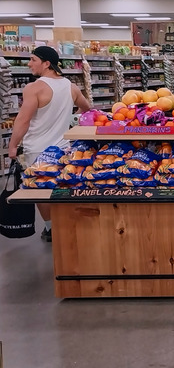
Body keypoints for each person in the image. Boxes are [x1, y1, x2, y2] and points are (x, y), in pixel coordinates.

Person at [8, 46, 91, 242]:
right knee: (62, 185)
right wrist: (71, 119)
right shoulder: (70, 86)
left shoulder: (34, 88)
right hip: (64, 149)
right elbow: (87, 109)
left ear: (46, 63)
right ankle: (67, 224)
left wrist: (12, 145)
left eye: (33, 60)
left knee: (40, 190)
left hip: (37, 150)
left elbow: (23, 120)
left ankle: (51, 228)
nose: (29, 64)